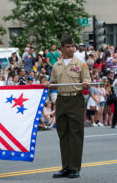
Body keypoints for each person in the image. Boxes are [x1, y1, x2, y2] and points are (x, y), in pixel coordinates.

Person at [45, 34, 91, 179]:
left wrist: (85, 84)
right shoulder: (56, 66)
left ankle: (74, 167)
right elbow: (52, 83)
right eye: (68, 47)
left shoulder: (80, 63)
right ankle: (65, 167)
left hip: (75, 99)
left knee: (75, 134)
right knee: (63, 134)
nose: (71, 49)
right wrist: (47, 85)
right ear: (62, 49)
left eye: (73, 46)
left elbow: (87, 81)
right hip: (61, 100)